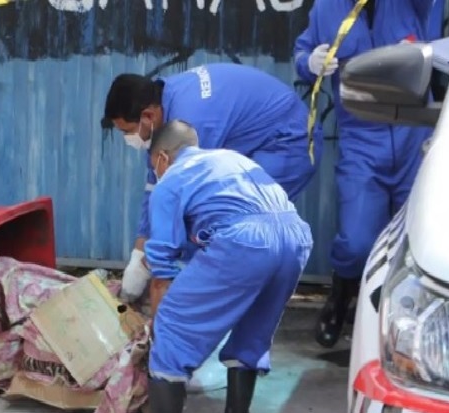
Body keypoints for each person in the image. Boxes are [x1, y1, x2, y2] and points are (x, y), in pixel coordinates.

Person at [127, 120, 313, 413]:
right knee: (254, 326)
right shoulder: (232, 159)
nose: (156, 172)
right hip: (295, 238)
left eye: (154, 165)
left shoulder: (170, 182)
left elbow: (162, 270)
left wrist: (159, 323)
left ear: (163, 157)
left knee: (172, 324)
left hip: (244, 241)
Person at [101, 63, 321, 303]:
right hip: (260, 138)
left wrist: (153, 265)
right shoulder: (162, 104)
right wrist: (139, 251)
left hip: (289, 141)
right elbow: (157, 184)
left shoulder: (193, 123)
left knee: (232, 223)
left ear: (148, 116)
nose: (127, 139)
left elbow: (189, 203)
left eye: (128, 131)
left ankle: (211, 307)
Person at [294, 0, 437, 348]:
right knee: (356, 242)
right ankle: (342, 293)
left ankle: (412, 321)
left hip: (413, 134)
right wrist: (309, 62)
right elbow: (302, 52)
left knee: (418, 239)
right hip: (361, 140)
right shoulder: (326, 8)